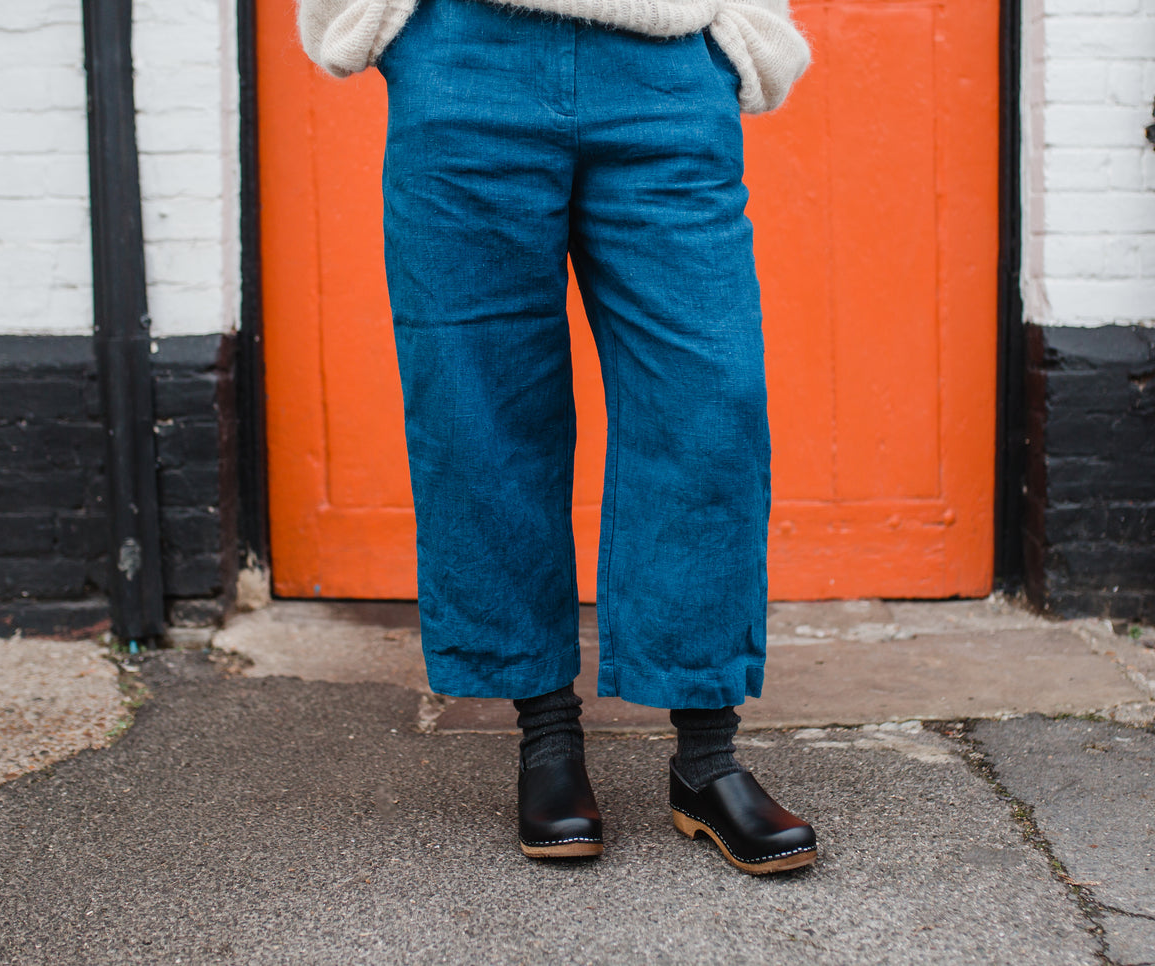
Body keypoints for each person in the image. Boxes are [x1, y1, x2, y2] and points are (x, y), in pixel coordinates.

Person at [296, 0, 816, 874]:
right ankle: (546, 742)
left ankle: (706, 762)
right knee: (482, 411)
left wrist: (736, 35)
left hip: (665, 70)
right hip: (465, 60)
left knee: (708, 403)